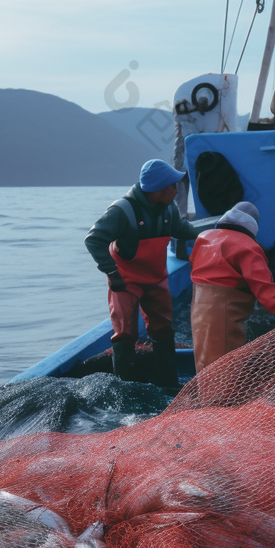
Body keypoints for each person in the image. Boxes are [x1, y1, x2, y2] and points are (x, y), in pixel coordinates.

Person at [85, 159, 200, 387]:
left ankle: (168, 381)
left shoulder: (169, 209)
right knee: (125, 332)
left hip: (156, 278)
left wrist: (210, 233)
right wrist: (112, 273)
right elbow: (93, 240)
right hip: (125, 281)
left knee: (163, 329)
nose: (176, 191)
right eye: (172, 186)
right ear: (157, 188)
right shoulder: (121, 211)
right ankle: (126, 386)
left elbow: (181, 230)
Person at [190, 201, 275, 373]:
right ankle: (222, 400)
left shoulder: (203, 238)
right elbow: (265, 290)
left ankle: (206, 398)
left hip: (198, 309)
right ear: (252, 228)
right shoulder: (248, 247)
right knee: (225, 365)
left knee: (204, 359)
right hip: (222, 313)